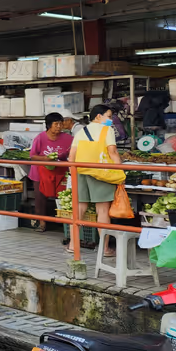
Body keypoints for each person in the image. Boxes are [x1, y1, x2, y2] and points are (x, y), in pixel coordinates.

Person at [68, 104, 121, 257]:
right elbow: (113, 152)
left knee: (79, 209)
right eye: (109, 116)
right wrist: (120, 172)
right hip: (101, 172)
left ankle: (73, 245)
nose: (110, 120)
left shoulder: (81, 131)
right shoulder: (107, 130)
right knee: (102, 210)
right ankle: (104, 249)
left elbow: (72, 156)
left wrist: (73, 176)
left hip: (81, 171)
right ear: (99, 116)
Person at [28, 113, 73, 232]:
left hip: (60, 172)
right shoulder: (40, 138)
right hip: (39, 171)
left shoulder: (68, 138)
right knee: (40, 196)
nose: (59, 126)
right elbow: (33, 156)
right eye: (56, 124)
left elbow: (73, 153)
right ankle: (41, 222)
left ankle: (65, 224)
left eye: (61, 123)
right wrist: (45, 159)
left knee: (64, 196)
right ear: (48, 125)